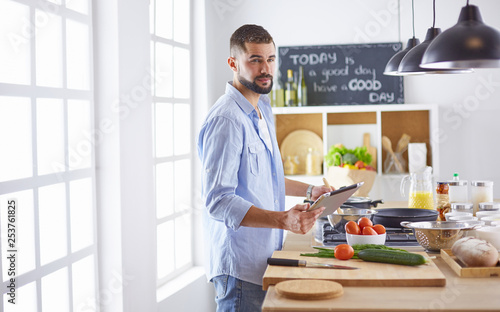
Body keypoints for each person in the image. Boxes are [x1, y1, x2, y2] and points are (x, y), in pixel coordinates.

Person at [197, 24, 332, 312]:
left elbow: (267, 178)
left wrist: (310, 190)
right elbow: (218, 202)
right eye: (255, 60)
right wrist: (283, 219)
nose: (266, 68)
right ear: (233, 63)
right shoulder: (227, 120)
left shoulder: (263, 108)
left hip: (266, 259)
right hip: (240, 269)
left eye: (270, 59)